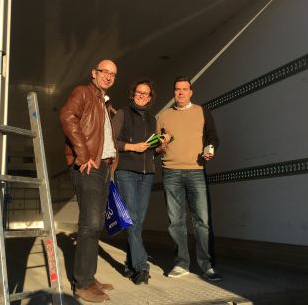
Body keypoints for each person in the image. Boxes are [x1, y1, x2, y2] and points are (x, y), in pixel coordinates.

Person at [59, 59, 118, 302]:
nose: (109, 76)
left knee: (95, 227)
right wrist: (83, 154)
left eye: (113, 74)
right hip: (89, 166)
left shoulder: (104, 102)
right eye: (105, 71)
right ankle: (82, 284)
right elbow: (67, 116)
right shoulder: (83, 92)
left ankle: (89, 278)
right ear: (94, 73)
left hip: (103, 168)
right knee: (90, 224)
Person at [156, 76, 222, 282]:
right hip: (171, 172)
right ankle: (181, 263)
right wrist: (161, 147)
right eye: (177, 89)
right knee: (175, 222)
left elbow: (213, 137)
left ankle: (207, 265)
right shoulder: (164, 116)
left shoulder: (202, 111)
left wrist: (210, 150)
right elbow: (156, 147)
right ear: (173, 92)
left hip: (196, 171)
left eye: (185, 89)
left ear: (191, 92)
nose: (181, 93)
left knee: (202, 221)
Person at [111, 79, 157, 285]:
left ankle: (129, 265)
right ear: (133, 93)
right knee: (133, 219)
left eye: (146, 93)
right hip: (126, 172)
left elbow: (150, 146)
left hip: (147, 174)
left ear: (150, 97)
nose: (142, 95)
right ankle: (142, 267)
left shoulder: (152, 119)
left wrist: (159, 146)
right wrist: (131, 147)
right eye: (139, 92)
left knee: (137, 222)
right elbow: (111, 140)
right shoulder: (122, 113)